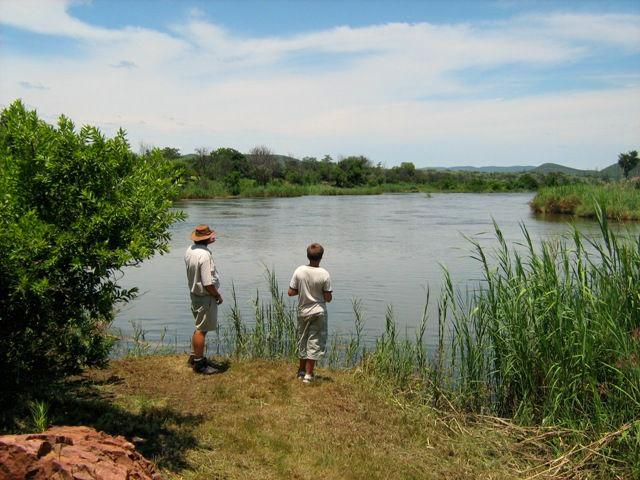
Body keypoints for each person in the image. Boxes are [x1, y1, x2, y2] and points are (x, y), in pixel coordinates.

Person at [288, 243, 332, 384]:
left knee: (302, 339)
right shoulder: (324, 274)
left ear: (307, 255)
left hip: (303, 311)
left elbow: (290, 292)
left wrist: (303, 289)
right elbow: (328, 298)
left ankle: (301, 371)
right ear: (321, 257)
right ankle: (308, 375)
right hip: (319, 312)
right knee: (314, 341)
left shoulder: (299, 270)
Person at [184, 224, 223, 374]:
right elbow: (207, 282)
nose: (213, 237)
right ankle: (199, 365)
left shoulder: (190, 250)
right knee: (202, 330)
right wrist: (217, 295)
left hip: (194, 294)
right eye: (210, 235)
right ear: (205, 238)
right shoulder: (205, 255)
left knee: (199, 326)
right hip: (205, 296)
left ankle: (194, 357)